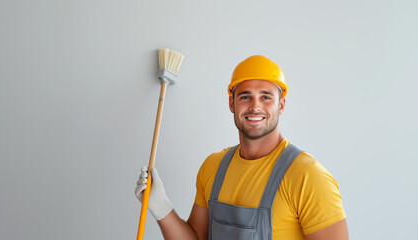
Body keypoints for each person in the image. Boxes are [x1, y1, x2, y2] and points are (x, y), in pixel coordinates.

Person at [135, 55, 348, 240]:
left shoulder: (307, 176)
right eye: (245, 97)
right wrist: (161, 206)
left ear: (281, 105)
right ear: (232, 104)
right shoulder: (213, 167)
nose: (255, 106)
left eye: (266, 97)